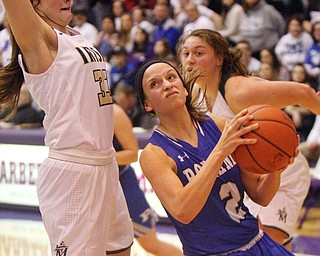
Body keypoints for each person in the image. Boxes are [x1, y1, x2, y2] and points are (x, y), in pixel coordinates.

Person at [0, 1, 134, 255]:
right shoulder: (37, 42)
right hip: (74, 170)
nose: (67, 0)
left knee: (120, 250)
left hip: (105, 163)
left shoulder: (75, 35)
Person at [134, 58, 296, 256]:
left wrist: (275, 168)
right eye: (155, 84)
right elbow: (182, 211)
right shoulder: (155, 154)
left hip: (257, 242)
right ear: (147, 104)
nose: (167, 85)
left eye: (171, 77)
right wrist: (220, 152)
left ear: (184, 89)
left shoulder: (218, 125)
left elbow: (261, 196)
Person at [177, 29, 320, 250]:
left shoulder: (238, 90)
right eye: (186, 53)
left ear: (219, 58)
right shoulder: (195, 93)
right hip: (250, 181)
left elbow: (303, 93)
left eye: (198, 53)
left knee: (265, 243)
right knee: (267, 245)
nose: (190, 60)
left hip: (282, 171)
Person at [113, 103, 183, 255]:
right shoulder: (78, 114)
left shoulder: (114, 113)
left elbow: (132, 153)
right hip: (95, 188)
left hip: (122, 184)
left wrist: (98, 159)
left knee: (150, 244)